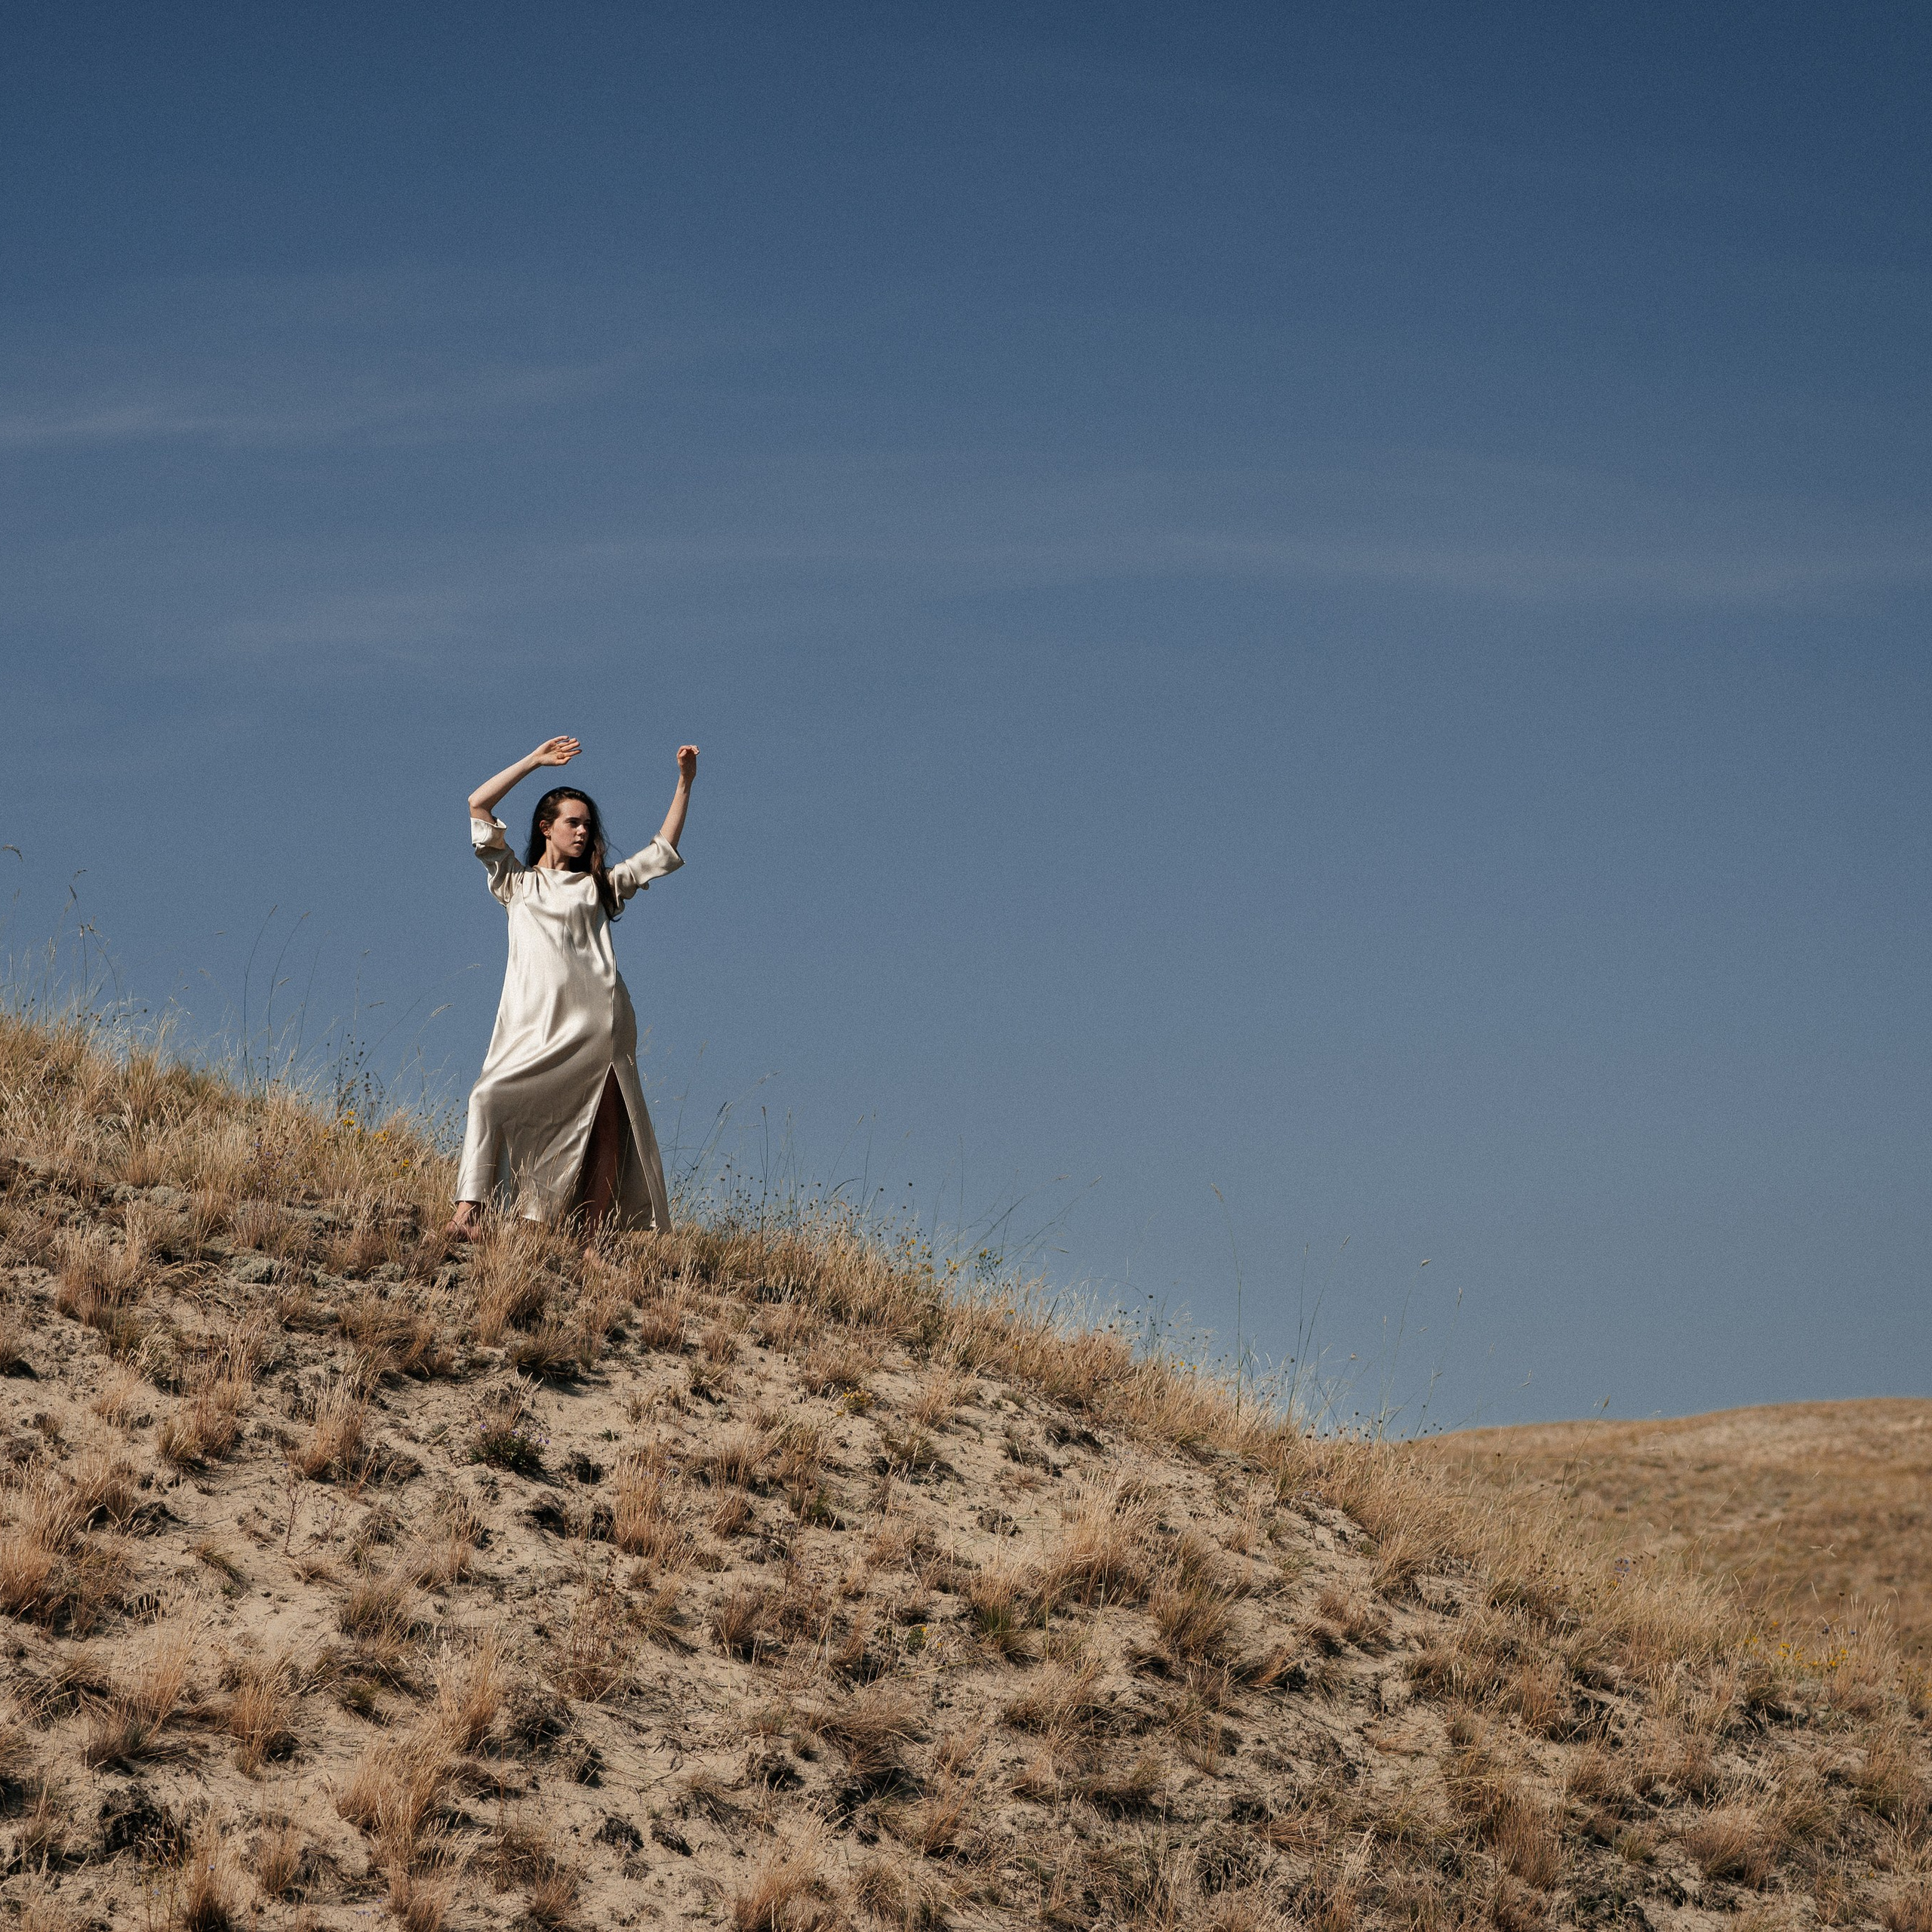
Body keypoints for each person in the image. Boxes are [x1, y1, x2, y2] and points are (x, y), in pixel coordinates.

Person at [449, 735, 698, 1254]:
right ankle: (470, 1212)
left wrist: (684, 782)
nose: (584, 832)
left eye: (588, 825)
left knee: (606, 1130)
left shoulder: (599, 886)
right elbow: (478, 804)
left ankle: (592, 1243)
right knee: (489, 1097)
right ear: (546, 827)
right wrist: (535, 761)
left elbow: (663, 852)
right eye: (573, 823)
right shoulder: (515, 881)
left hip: (599, 1020)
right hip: (533, 1023)